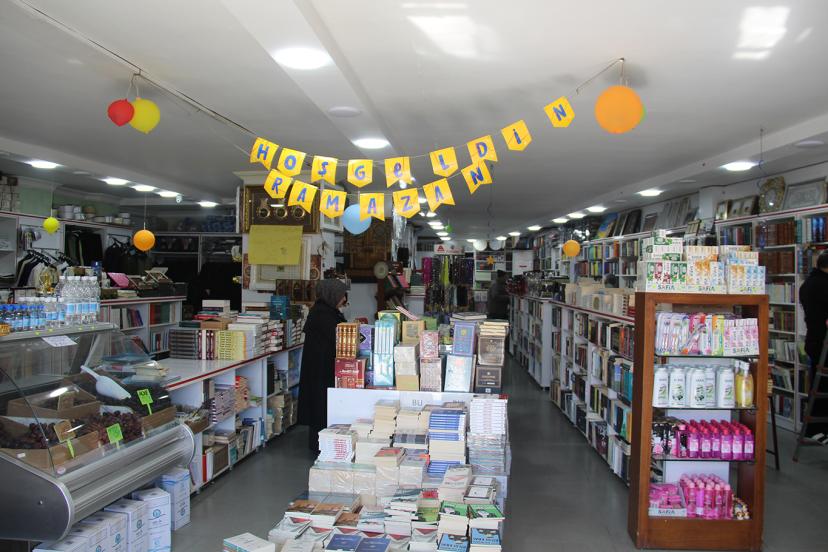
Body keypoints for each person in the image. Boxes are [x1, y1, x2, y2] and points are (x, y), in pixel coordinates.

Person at [298, 279, 347, 451]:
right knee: (320, 405)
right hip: (320, 370)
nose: (344, 299)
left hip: (321, 367)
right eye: (341, 295)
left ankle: (321, 443)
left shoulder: (325, 311)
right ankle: (321, 445)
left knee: (321, 405)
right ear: (332, 295)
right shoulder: (323, 315)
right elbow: (337, 338)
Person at [799, 251, 828, 442]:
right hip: (823, 341)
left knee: (817, 383)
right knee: (823, 385)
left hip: (813, 339)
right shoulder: (824, 285)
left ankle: (814, 428)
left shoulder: (807, 283)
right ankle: (817, 429)